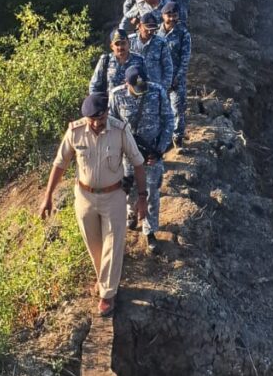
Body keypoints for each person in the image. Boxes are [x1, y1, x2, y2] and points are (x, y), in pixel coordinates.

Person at [40, 93, 147, 316]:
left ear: (107, 112)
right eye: (92, 120)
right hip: (85, 197)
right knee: (94, 245)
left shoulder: (119, 130)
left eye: (101, 118)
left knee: (113, 243)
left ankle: (107, 295)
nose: (97, 123)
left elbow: (138, 163)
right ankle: (105, 281)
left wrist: (142, 198)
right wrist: (48, 196)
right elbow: (60, 164)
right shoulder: (75, 131)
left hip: (114, 196)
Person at [110, 67, 173, 252]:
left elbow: (168, 120)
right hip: (127, 155)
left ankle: (150, 232)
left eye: (143, 85)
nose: (141, 89)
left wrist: (160, 150)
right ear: (126, 83)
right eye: (136, 87)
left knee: (151, 192)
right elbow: (111, 125)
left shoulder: (157, 91)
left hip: (152, 154)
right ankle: (131, 213)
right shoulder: (116, 95)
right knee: (130, 189)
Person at [158, 3, 191, 147]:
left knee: (177, 109)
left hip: (177, 81)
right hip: (159, 80)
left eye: (175, 15)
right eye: (169, 15)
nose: (172, 18)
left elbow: (185, 59)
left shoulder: (183, 34)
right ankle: (161, 140)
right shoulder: (156, 33)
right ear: (163, 15)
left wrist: (176, 79)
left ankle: (177, 139)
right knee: (158, 110)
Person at [89, 29, 146, 98]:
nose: (120, 47)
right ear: (112, 46)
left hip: (134, 105)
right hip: (111, 105)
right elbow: (94, 86)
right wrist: (98, 104)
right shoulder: (105, 60)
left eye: (123, 43)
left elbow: (147, 82)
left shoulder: (139, 60)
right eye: (117, 44)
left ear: (129, 43)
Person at [128, 10, 173, 93]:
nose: (150, 32)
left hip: (154, 88)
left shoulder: (161, 43)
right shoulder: (129, 41)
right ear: (140, 26)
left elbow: (168, 67)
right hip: (133, 88)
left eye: (152, 30)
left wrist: (164, 88)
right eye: (147, 29)